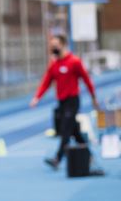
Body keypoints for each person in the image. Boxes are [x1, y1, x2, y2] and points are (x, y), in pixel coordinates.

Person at [30, 33, 99, 169]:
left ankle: (58, 158)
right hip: (61, 102)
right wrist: (37, 97)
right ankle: (89, 155)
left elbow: (86, 80)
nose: (53, 48)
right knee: (74, 131)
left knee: (66, 130)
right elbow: (46, 82)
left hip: (73, 101)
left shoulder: (74, 62)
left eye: (55, 46)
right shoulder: (54, 64)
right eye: (51, 47)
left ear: (63, 45)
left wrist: (93, 98)